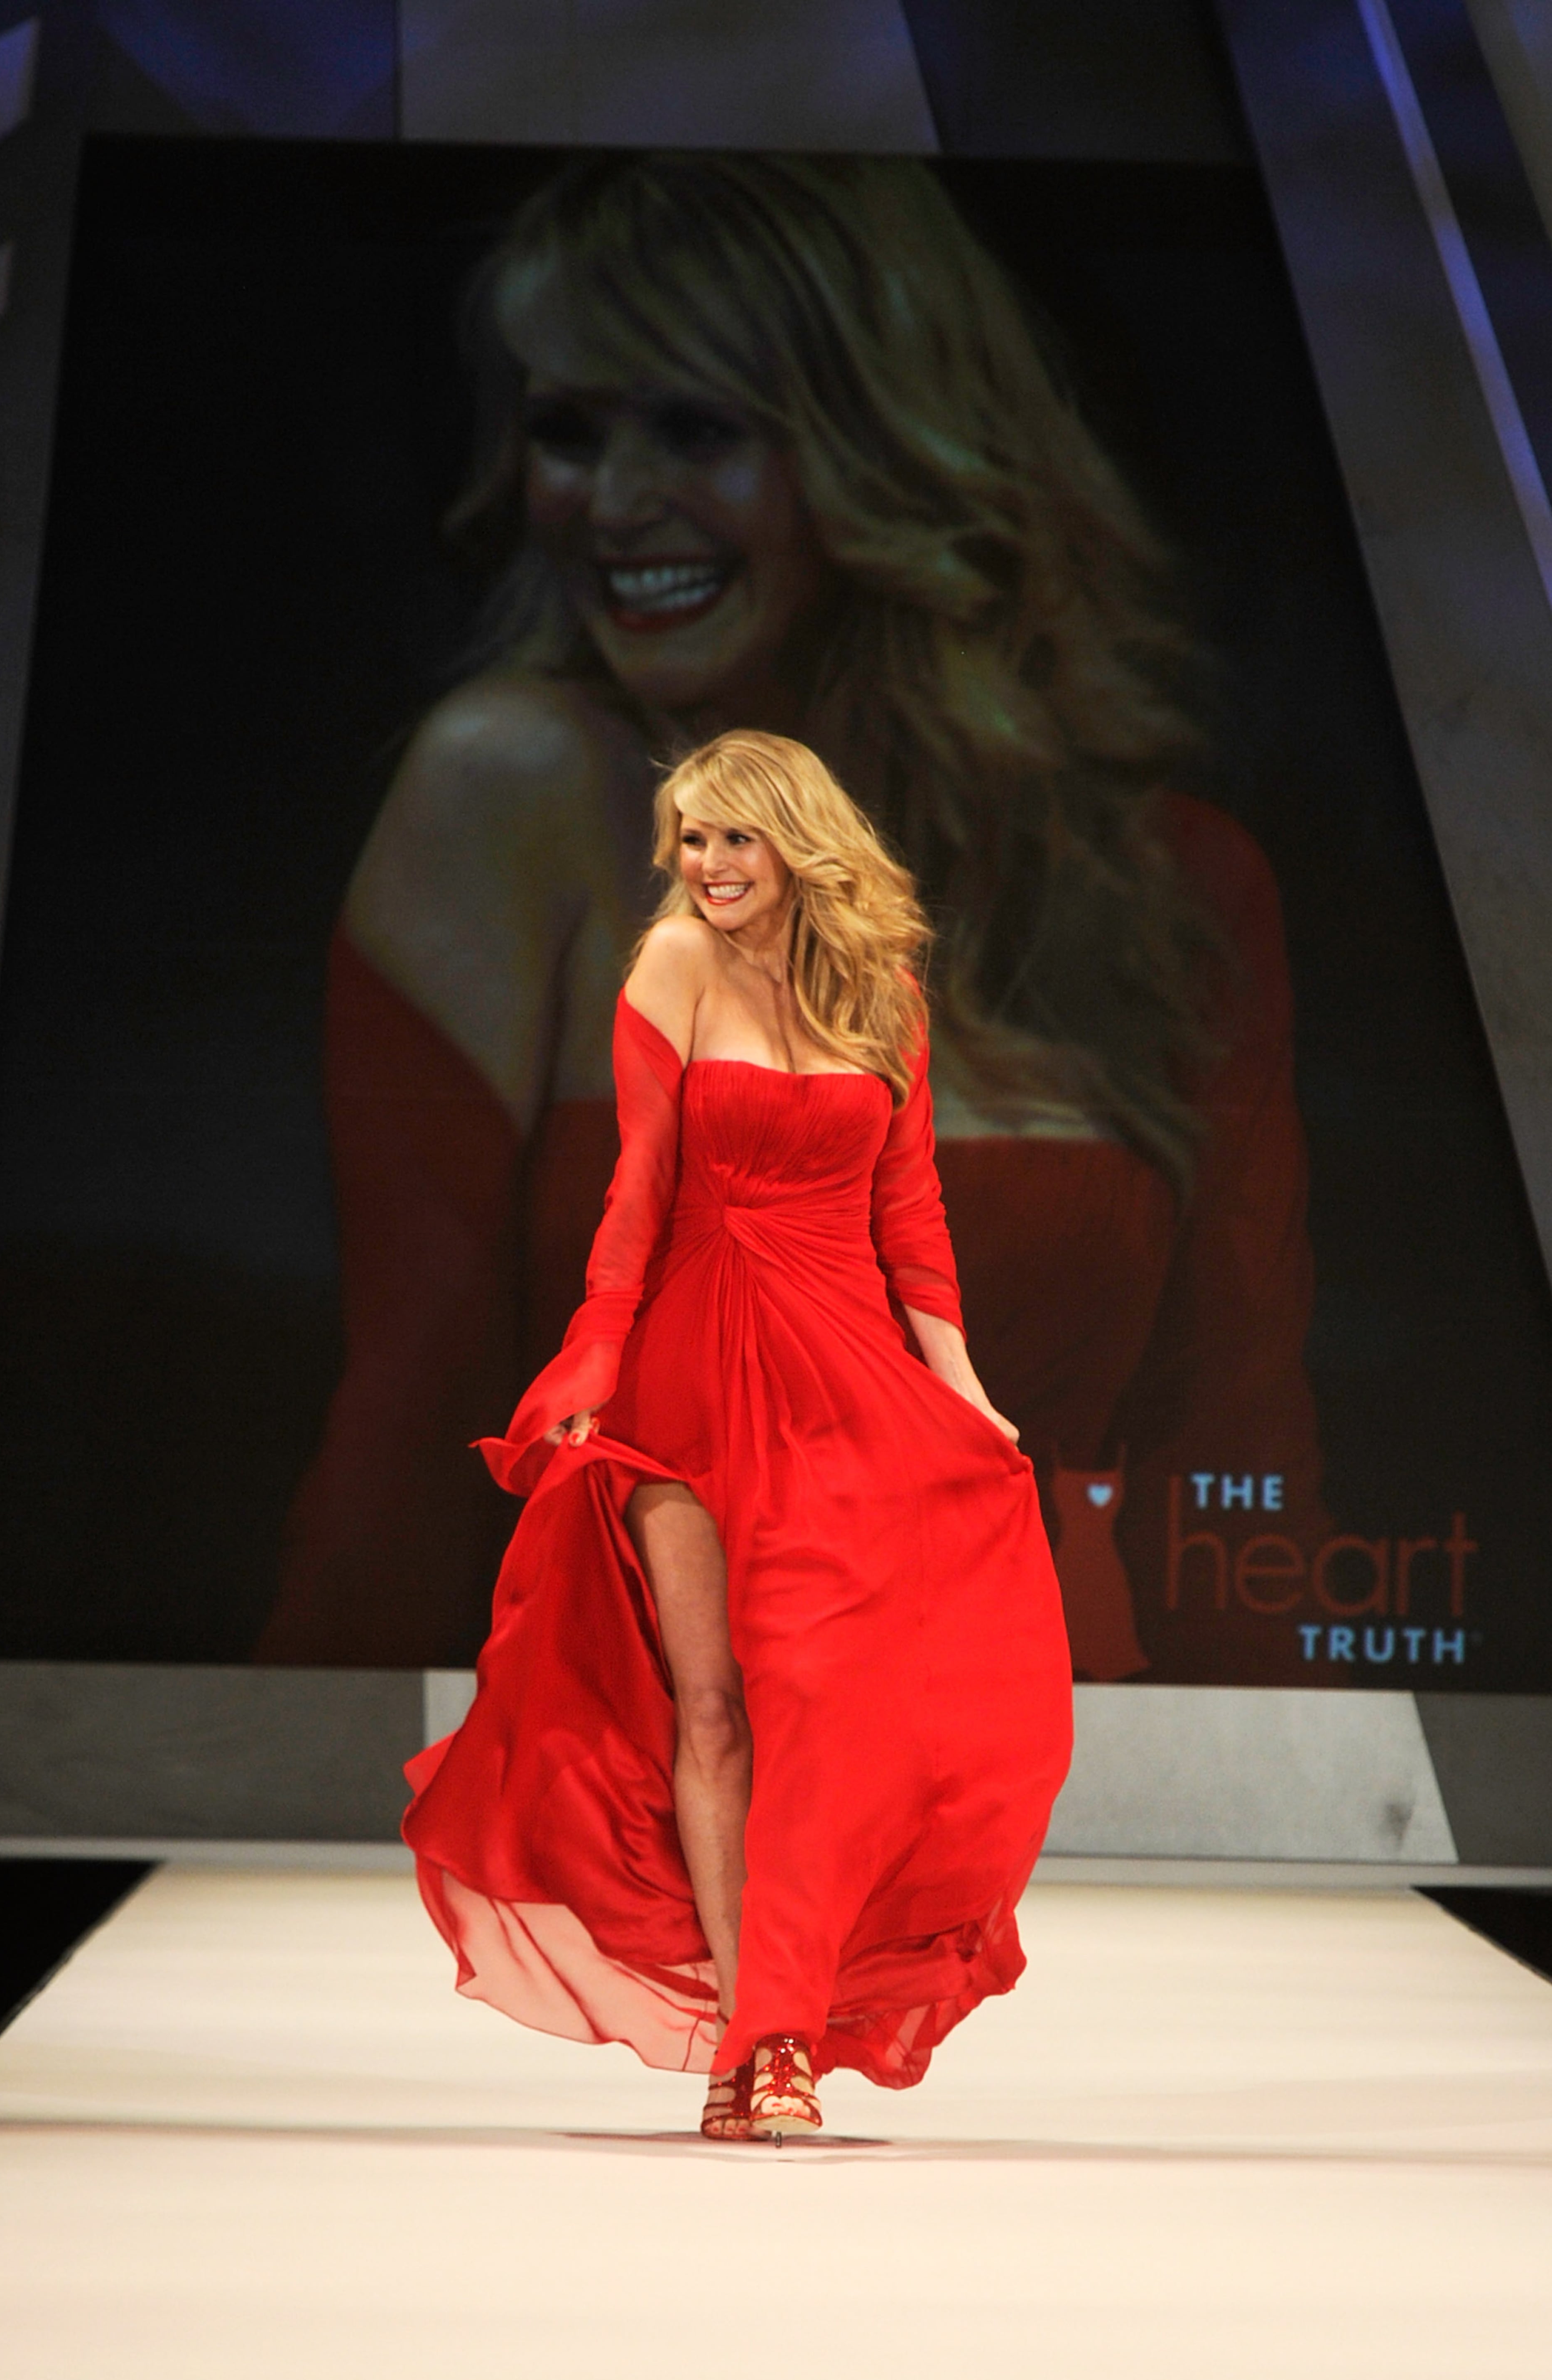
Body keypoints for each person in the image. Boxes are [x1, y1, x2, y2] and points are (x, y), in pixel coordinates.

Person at [255, 152, 1326, 1681]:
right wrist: (292, 1804)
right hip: (646, 1767)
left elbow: (1243, 1467)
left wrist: (1289, 1838)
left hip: (1059, 1776)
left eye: (695, 425)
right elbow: (414, 1435)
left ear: (888, 442)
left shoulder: (1177, 888)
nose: (613, 505)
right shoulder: (517, 795)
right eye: (567, 429)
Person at [402, 729, 1074, 2137]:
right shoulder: (670, 969)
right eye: (688, 838)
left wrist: (959, 1380)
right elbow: (635, 1190)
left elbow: (911, 1210)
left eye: (731, 840)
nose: (704, 865)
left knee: (825, 1701)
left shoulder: (885, 993)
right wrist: (594, 1353)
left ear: (796, 845)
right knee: (709, 1709)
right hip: (693, 1373)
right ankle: (762, 2040)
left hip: (840, 1376)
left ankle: (784, 2006)